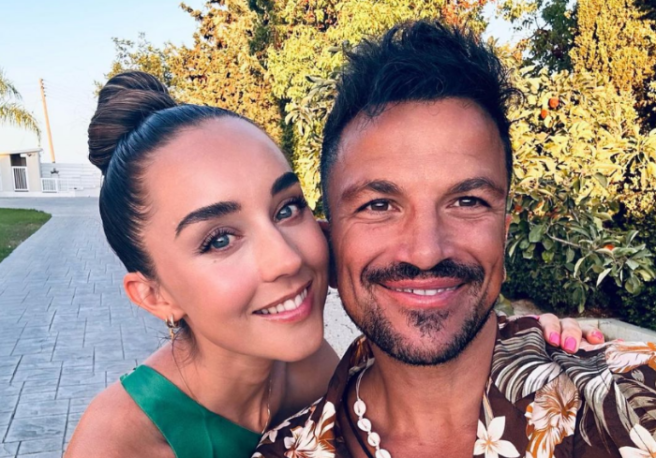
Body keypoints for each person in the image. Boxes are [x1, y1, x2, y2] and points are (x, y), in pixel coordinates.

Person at [66, 72, 596, 458]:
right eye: (220, 239)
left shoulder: (308, 367)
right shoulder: (118, 444)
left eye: (286, 209)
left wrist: (523, 344)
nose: (285, 257)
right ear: (153, 295)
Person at [253, 20, 656, 458]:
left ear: (503, 232)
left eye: (467, 201)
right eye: (379, 205)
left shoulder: (634, 399)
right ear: (330, 245)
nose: (426, 252)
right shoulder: (284, 450)